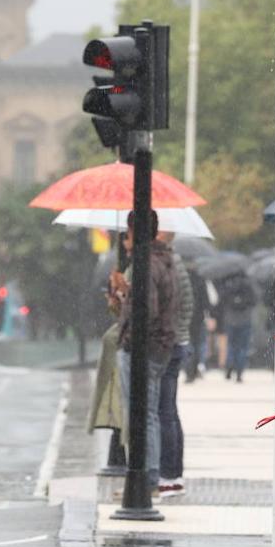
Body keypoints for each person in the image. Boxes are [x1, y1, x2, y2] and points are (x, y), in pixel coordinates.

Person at [109, 210, 178, 492]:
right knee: (148, 412)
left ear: (133, 231)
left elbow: (146, 310)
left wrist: (128, 340)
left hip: (143, 349)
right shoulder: (164, 259)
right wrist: (125, 294)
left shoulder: (145, 263)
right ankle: (145, 474)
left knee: (141, 413)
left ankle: (145, 478)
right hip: (159, 347)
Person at [158, 236, 193, 498]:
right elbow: (189, 305)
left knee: (162, 412)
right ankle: (174, 473)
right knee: (169, 410)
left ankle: (167, 475)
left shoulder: (166, 264)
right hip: (178, 342)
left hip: (166, 345)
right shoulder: (177, 263)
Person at [218, 270, 257, 382]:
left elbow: (222, 300)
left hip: (231, 319)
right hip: (244, 319)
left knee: (231, 345)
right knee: (243, 347)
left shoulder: (228, 285)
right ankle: (240, 371)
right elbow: (254, 301)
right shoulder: (248, 286)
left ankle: (230, 364)